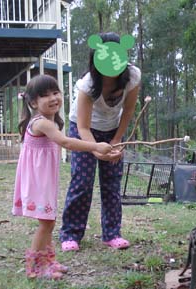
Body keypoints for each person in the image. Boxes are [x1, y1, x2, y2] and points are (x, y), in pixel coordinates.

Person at [12, 74, 112, 280]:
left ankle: (48, 261)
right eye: (45, 95)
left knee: (49, 220)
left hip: (44, 181)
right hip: (38, 182)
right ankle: (35, 268)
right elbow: (66, 143)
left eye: (55, 92)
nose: (53, 98)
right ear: (33, 102)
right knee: (46, 223)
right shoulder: (41, 123)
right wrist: (95, 146)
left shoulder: (49, 121)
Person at [59, 32, 141, 251]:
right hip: (84, 129)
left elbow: (129, 110)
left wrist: (116, 141)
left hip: (113, 128)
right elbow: (84, 127)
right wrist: (95, 149)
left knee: (112, 182)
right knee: (82, 182)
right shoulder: (87, 85)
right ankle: (71, 234)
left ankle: (112, 233)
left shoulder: (132, 76)